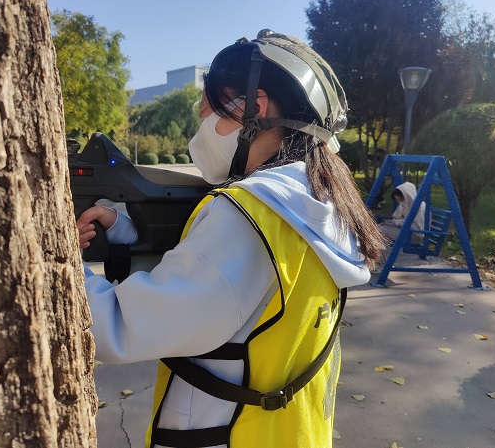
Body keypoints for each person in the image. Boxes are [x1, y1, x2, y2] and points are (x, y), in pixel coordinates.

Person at [77, 30, 385, 448]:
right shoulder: (320, 207)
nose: (199, 128)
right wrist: (125, 231)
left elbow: (119, 326)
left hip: (224, 434)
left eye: (207, 111)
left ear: (254, 109)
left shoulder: (246, 216)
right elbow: (236, 301)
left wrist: (60, 267)